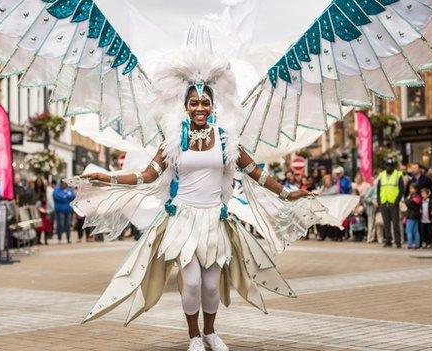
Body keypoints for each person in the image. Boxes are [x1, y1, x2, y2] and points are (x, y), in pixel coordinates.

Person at [73, 56, 344, 350]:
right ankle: (194, 337)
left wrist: (287, 193)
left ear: (213, 106)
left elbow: (255, 172)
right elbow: (147, 175)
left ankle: (211, 332)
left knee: (212, 285)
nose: (200, 108)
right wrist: (106, 177)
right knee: (191, 283)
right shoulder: (173, 141)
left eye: (205, 103)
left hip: (215, 219)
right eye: (194, 103)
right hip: (183, 220)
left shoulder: (226, 138)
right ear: (186, 106)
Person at [377, 158, 404, 248]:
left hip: (394, 203)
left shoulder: (398, 175)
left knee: (395, 224)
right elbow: (378, 189)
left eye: (390, 165)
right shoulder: (382, 175)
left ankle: (398, 242)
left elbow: (401, 190)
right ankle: (388, 241)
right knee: (386, 223)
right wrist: (379, 202)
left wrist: (397, 201)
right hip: (384, 202)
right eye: (387, 165)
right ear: (385, 166)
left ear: (393, 166)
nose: (388, 167)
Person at [53, 179, 75, 244]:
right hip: (60, 210)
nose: (65, 184)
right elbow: (57, 197)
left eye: (66, 183)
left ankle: (68, 239)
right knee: (61, 224)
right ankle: (59, 238)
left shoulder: (69, 189)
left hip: (68, 210)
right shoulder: (56, 189)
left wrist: (64, 196)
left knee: (68, 224)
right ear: (61, 183)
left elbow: (73, 196)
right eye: (64, 183)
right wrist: (66, 197)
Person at [364, 177, 383, 244]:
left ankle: (379, 239)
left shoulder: (382, 189)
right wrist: (372, 201)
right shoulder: (372, 189)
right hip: (371, 209)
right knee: (371, 224)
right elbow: (366, 198)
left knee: (379, 224)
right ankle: (370, 238)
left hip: (380, 209)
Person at [404, 183, 421, 249]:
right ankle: (417, 244)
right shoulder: (417, 197)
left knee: (409, 230)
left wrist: (407, 199)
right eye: (410, 188)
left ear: (416, 189)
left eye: (412, 188)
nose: (410, 190)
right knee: (415, 230)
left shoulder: (416, 197)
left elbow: (408, 203)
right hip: (416, 216)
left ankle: (409, 244)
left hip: (411, 215)